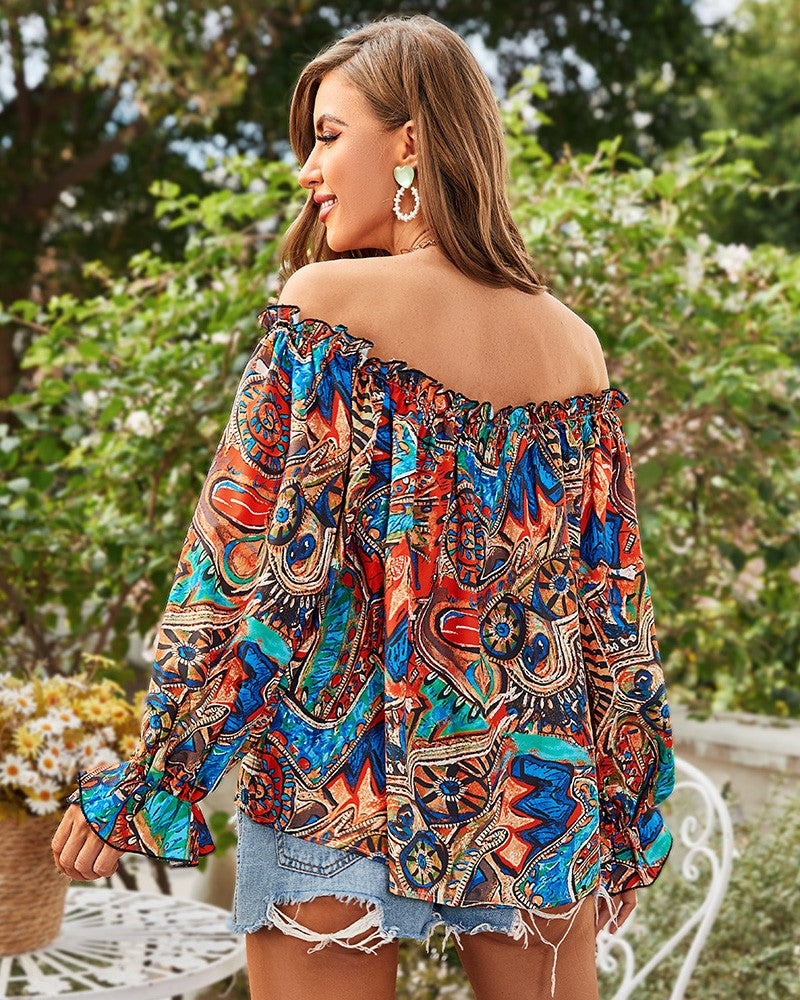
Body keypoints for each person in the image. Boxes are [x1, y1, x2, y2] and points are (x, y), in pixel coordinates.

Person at [51, 13, 675, 1000]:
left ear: (410, 141)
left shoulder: (328, 309)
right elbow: (613, 616)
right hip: (536, 793)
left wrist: (162, 769)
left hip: (332, 781)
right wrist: (627, 813)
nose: (307, 169)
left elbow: (248, 570)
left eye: (328, 135)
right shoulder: (574, 350)